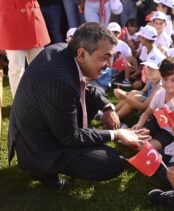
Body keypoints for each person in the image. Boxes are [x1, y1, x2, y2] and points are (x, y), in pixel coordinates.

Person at [8, 23, 146, 189]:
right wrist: (116, 134)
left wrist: (108, 107)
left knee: (92, 104)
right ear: (81, 54)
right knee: (113, 162)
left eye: (111, 56)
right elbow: (71, 137)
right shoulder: (60, 82)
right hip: (37, 146)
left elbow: (86, 89)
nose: (109, 64)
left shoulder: (62, 50)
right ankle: (42, 169)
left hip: (38, 128)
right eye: (105, 57)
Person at [132, 57, 174, 150]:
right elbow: (147, 112)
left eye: (173, 80)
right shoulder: (160, 93)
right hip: (156, 122)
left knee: (141, 147)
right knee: (133, 139)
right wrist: (139, 124)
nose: (168, 84)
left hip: (171, 133)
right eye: (165, 79)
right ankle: (125, 130)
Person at [0, 0, 50, 98]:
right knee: (16, 68)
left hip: (32, 14)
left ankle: (41, 102)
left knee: (39, 66)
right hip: (11, 18)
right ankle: (20, 106)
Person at [114, 50, 164, 120]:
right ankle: (112, 112)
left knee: (136, 97)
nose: (149, 70)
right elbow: (142, 92)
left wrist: (124, 97)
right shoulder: (151, 81)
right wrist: (127, 93)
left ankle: (114, 119)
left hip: (152, 113)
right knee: (134, 93)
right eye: (148, 67)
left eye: (153, 69)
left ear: (162, 70)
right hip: (146, 106)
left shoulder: (160, 87)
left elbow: (143, 106)